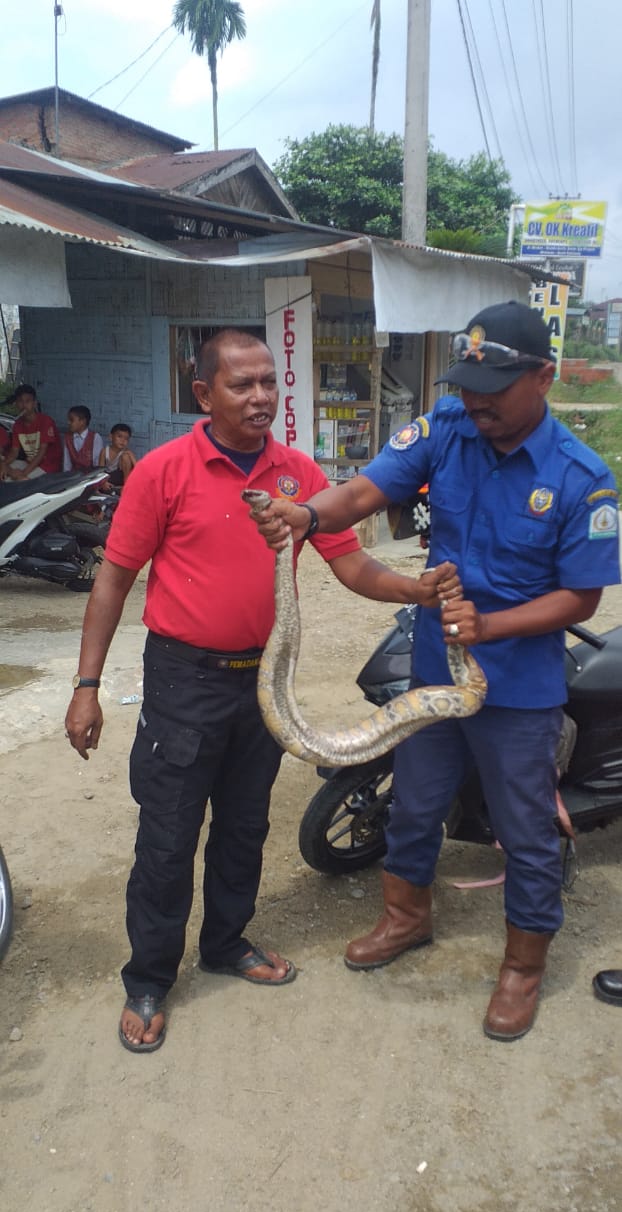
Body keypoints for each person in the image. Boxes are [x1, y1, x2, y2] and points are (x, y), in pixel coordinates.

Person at [64, 328, 460, 1054]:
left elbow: (351, 566)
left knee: (245, 825)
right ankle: (149, 978)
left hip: (265, 680)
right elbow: (114, 579)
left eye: (269, 383)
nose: (260, 397)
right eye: (241, 384)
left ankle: (225, 943)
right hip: (183, 678)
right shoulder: (163, 471)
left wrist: (417, 590)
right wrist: (86, 687)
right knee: (168, 834)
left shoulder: (298, 474)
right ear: (203, 393)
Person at [252, 301, 621, 1042]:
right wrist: (310, 517)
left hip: (518, 688)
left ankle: (522, 967)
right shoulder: (447, 428)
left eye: (494, 388)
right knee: (415, 806)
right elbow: (366, 492)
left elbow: (580, 597)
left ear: (544, 377)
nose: (476, 402)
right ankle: (406, 918)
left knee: (524, 829)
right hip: (432, 676)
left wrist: (491, 625)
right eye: (467, 385)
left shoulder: (582, 478)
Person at [0, 383, 62, 481]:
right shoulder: (17, 425)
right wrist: (4, 464)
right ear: (16, 404)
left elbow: (42, 452)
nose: (24, 405)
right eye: (20, 401)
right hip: (29, 463)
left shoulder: (46, 421)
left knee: (15, 481)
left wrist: (22, 474)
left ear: (34, 403)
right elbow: (14, 451)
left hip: (48, 466)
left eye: (28, 401)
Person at [63, 405, 104, 473]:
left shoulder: (95, 437)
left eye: (71, 420)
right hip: (73, 476)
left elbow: (97, 463)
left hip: (90, 475)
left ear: (82, 421)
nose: (68, 422)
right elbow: (67, 464)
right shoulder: (67, 438)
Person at [99, 422, 137, 487]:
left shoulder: (127, 452)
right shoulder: (104, 451)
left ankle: (126, 486)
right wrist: (103, 482)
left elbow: (137, 468)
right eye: (119, 436)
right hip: (108, 477)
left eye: (126, 439)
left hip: (121, 478)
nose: (123, 440)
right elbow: (100, 470)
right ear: (111, 437)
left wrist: (131, 455)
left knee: (126, 457)